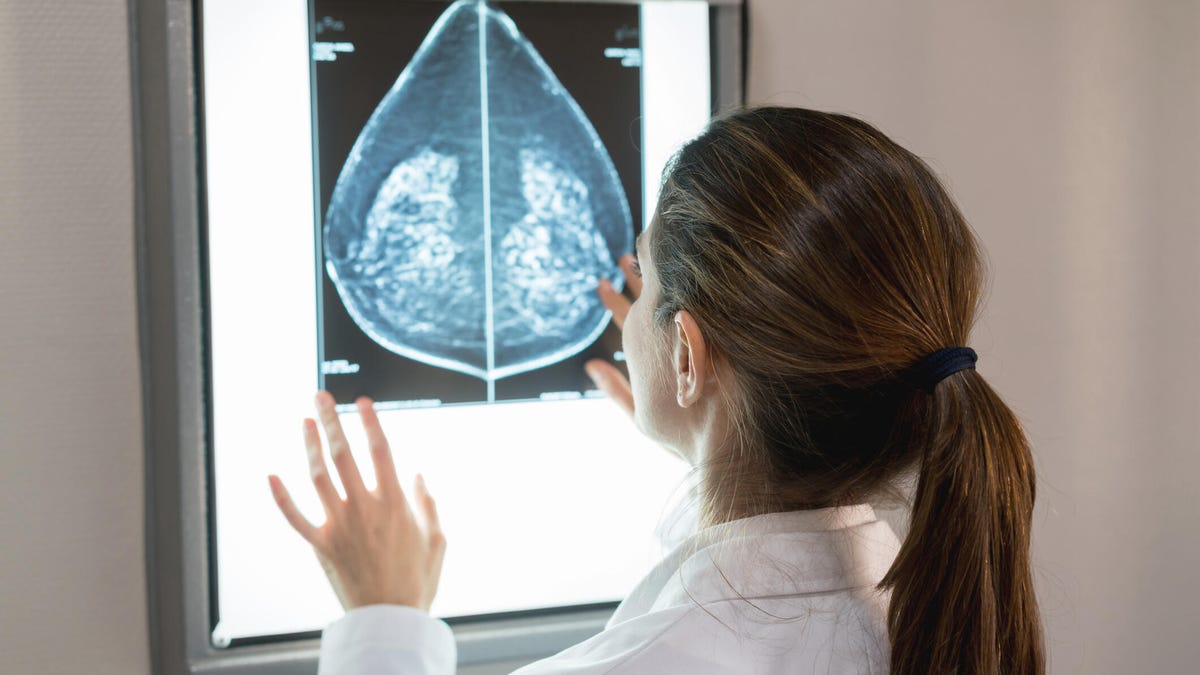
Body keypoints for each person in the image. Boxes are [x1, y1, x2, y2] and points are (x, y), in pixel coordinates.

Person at [267, 106, 1045, 674]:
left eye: (643, 286)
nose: (625, 307)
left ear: (688, 353)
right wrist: (696, 420)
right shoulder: (938, 605)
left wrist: (384, 620)